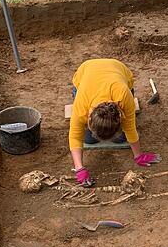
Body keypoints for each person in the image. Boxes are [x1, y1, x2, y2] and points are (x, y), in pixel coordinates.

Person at [69, 59, 160, 187]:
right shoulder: (81, 106)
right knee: (89, 140)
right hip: (85, 72)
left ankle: (114, 135)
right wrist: (79, 169)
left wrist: (138, 155)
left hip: (118, 70)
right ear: (89, 120)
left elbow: (130, 128)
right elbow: (74, 136)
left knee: (120, 139)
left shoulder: (124, 96)